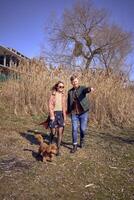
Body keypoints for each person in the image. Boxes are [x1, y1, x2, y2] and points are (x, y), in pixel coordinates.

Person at [67, 74, 94, 153]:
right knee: (74, 129)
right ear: (71, 83)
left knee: (82, 129)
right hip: (74, 113)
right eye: (73, 82)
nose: (74, 83)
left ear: (78, 81)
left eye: (75, 81)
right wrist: (68, 111)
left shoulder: (82, 88)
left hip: (83, 113)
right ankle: (74, 146)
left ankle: (82, 139)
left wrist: (89, 89)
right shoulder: (70, 91)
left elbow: (86, 90)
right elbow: (68, 102)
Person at [48, 81, 66, 156]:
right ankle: (51, 141)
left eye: (63, 87)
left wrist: (65, 117)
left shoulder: (64, 95)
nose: (61, 88)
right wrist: (52, 115)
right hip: (54, 114)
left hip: (61, 114)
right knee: (53, 132)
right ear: (57, 87)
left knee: (60, 133)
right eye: (60, 86)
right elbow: (50, 105)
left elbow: (64, 107)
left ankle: (58, 149)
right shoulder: (53, 94)